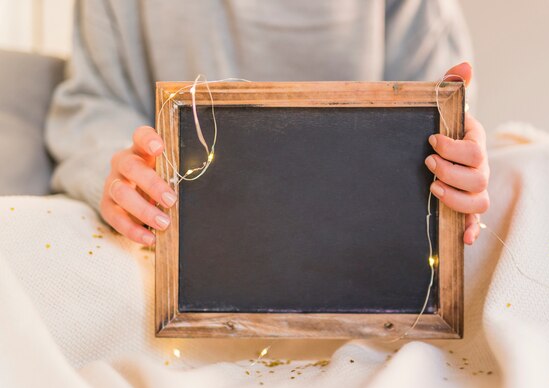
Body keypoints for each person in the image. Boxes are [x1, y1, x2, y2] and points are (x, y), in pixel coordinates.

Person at [46, 0, 489, 247]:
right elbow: (95, 101)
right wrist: (122, 170)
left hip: (368, 236)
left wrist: (459, 153)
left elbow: (440, 104)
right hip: (179, 232)